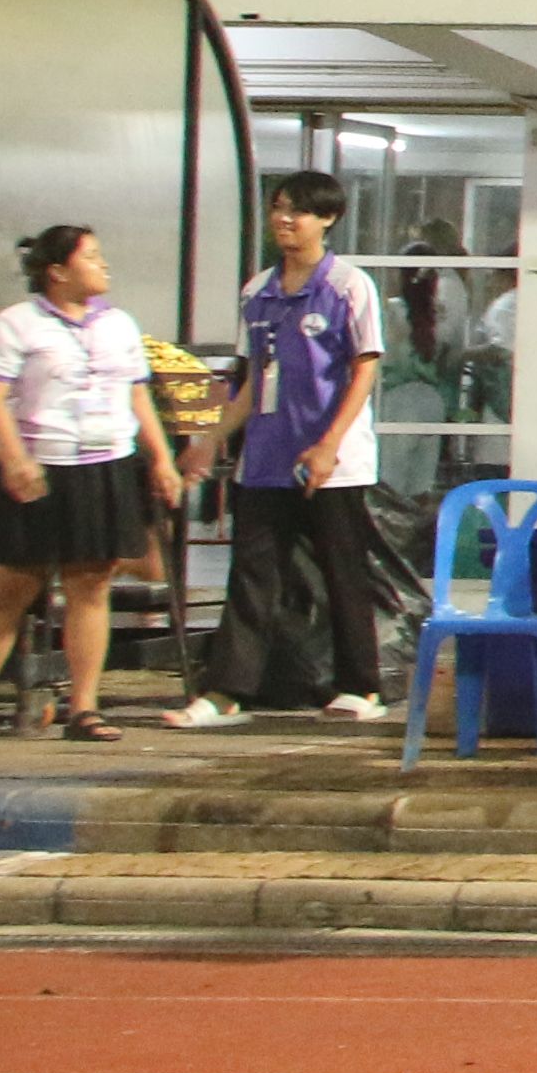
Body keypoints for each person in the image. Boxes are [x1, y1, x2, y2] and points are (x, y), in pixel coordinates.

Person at [181, 171, 387, 727]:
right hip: (267, 458)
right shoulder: (257, 291)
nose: (284, 219)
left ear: (328, 219)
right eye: (278, 208)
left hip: (333, 463)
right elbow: (254, 377)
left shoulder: (348, 286)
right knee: (252, 573)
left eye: (298, 211)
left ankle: (361, 687)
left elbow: (364, 370)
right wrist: (212, 440)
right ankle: (227, 691)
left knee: (342, 571)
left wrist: (328, 444)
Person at [0, 225, 177, 744]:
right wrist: (14, 459)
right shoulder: (15, 325)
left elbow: (136, 396)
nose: (104, 266)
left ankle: (83, 708)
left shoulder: (119, 325)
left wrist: (161, 458)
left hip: (102, 467)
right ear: (57, 271)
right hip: (39, 467)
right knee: (9, 590)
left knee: (91, 584)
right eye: (92, 257)